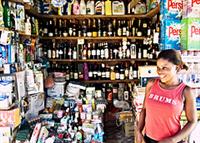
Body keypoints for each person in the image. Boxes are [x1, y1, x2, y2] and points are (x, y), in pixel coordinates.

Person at [136, 49, 197, 143]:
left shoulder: (185, 91)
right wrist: (139, 131)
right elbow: (144, 109)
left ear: (177, 68)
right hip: (148, 139)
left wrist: (173, 140)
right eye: (158, 68)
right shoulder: (151, 84)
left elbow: (192, 121)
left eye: (165, 68)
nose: (159, 72)